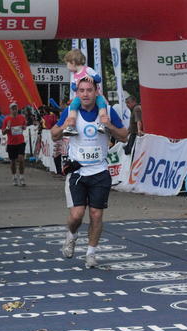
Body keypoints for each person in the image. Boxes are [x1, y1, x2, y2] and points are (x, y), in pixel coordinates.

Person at [51, 77, 128, 268]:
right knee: (77, 215)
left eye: (89, 90)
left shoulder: (107, 111)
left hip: (100, 171)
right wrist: (65, 125)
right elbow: (54, 135)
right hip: (77, 172)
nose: (85, 94)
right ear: (77, 93)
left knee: (96, 215)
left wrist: (109, 126)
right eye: (82, 90)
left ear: (96, 92)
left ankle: (91, 253)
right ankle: (72, 234)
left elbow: (124, 136)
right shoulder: (71, 111)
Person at [62, 49, 110, 137]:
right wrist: (76, 85)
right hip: (80, 98)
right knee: (73, 106)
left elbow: (98, 79)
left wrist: (91, 77)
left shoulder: (88, 70)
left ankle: (103, 124)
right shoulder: (74, 75)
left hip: (95, 95)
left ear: (73, 62)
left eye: (67, 64)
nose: (67, 67)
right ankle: (71, 126)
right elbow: (73, 88)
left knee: (102, 104)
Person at [2, 103, 27, 186]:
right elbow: (3, 132)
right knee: (13, 162)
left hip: (20, 142)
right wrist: (7, 127)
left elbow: (24, 126)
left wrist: (24, 127)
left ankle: (22, 177)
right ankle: (14, 177)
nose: (14, 110)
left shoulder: (22, 117)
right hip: (11, 143)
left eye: (15, 108)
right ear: (10, 110)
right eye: (13, 109)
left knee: (21, 159)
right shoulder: (7, 119)